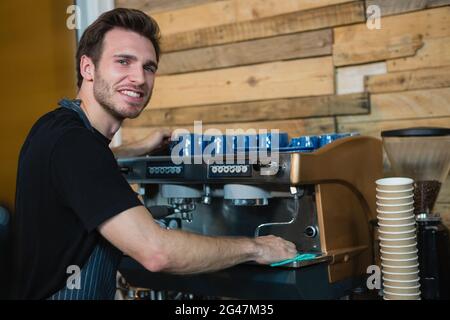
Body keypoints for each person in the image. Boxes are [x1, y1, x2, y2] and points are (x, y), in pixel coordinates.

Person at [11, 8, 297, 300]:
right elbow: (156, 252)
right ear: (88, 68)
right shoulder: (76, 145)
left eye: (149, 67)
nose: (138, 78)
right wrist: (257, 248)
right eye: (123, 61)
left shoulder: (55, 126)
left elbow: (85, 166)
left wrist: (135, 148)